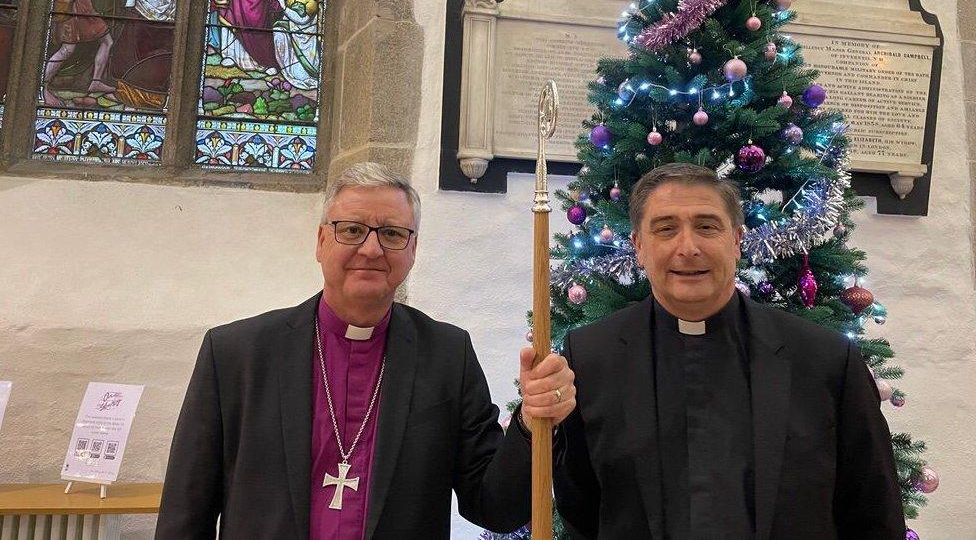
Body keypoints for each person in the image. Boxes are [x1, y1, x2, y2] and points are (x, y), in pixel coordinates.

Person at [156, 162, 576, 539]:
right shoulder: (236, 354)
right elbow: (185, 515)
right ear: (321, 241)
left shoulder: (448, 355)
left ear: (412, 251)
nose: (372, 249)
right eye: (352, 230)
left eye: (392, 234)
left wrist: (529, 422)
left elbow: (495, 507)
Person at [554, 163, 904, 539]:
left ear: (737, 240)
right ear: (639, 246)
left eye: (707, 226)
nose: (688, 248)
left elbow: (873, 512)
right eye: (666, 228)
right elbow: (580, 510)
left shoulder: (825, 359)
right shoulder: (590, 357)